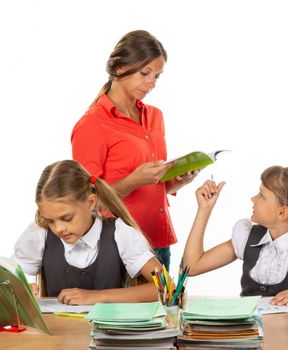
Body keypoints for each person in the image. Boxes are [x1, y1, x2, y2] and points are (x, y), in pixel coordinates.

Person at [71, 30, 197, 272]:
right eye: (145, 73)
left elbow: (155, 185)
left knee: (162, 309)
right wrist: (133, 180)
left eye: (157, 76)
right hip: (119, 247)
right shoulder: (92, 124)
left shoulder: (155, 116)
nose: (152, 82)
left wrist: (178, 181)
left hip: (158, 242)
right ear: (119, 68)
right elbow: (86, 202)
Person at [182, 165, 288, 305]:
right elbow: (192, 266)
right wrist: (204, 209)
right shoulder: (248, 238)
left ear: (282, 212)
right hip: (247, 335)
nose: (253, 199)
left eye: (261, 195)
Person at [12, 160, 166, 305]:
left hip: (109, 332)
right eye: (50, 221)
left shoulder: (121, 234)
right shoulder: (40, 232)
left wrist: (97, 297)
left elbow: (167, 288)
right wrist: (18, 290)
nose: (58, 229)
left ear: (90, 203)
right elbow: (2, 282)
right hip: (58, 331)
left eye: (67, 218)